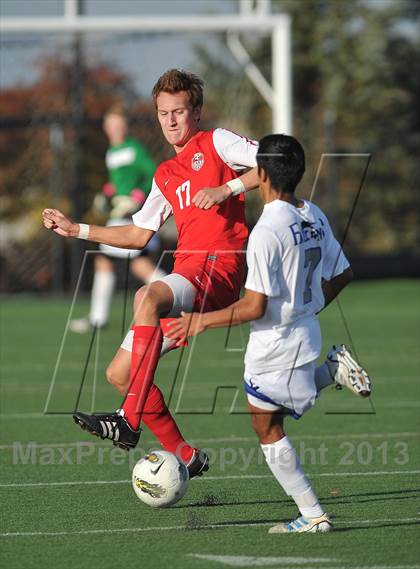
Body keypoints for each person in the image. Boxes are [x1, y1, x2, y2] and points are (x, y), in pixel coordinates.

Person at [43, 69, 261, 477]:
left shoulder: (216, 142)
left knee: (147, 296)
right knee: (119, 374)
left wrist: (226, 189)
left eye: (179, 111)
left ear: (196, 111)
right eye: (163, 113)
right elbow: (139, 233)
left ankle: (128, 422)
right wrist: (79, 230)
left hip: (220, 268)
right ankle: (186, 455)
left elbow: (274, 160)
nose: (171, 121)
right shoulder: (165, 173)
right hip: (189, 273)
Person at [167, 134, 371, 532]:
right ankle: (331, 370)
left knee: (267, 426)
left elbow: (254, 306)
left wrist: (199, 321)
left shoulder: (265, 232)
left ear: (261, 173)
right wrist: (308, 307)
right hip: (305, 333)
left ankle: (313, 515)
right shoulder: (313, 213)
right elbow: (343, 273)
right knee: (274, 413)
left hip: (274, 343)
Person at [70, 105, 166, 334]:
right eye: (110, 124)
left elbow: (154, 173)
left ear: (125, 126)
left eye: (118, 124)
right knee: (131, 263)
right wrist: (108, 192)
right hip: (118, 213)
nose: (113, 128)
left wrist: (139, 194)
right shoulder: (112, 151)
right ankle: (98, 317)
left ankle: (180, 299)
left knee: (119, 261)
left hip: (132, 214)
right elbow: (120, 181)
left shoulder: (133, 148)